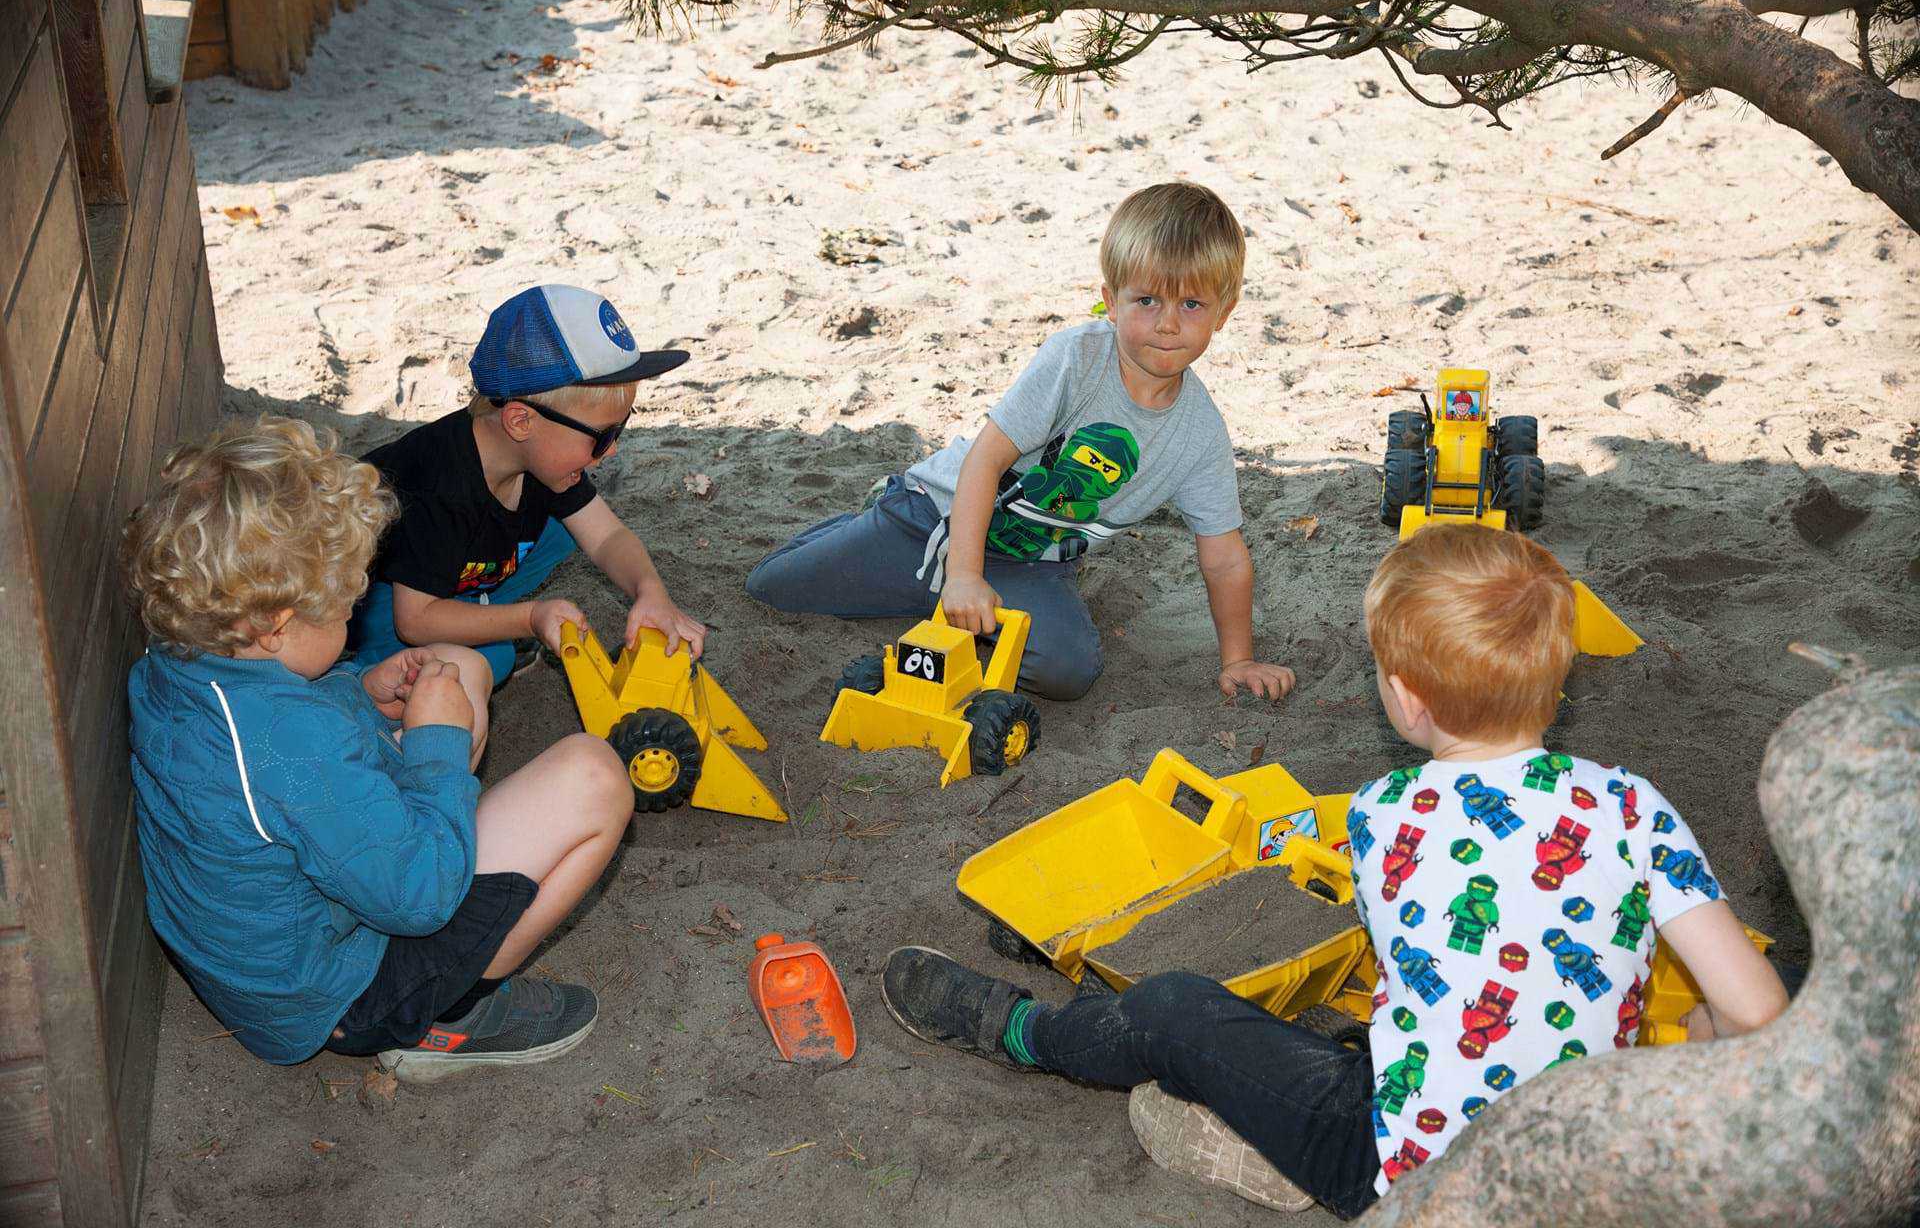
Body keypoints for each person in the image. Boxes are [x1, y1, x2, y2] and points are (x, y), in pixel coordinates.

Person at [877, 523, 1789, 1217]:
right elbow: (1759, 1012)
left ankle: (1025, 1035)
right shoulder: (1633, 805)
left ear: (1404, 696)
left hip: (1405, 1174)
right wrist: (1695, 1043)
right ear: (1560, 678)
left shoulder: (1386, 815)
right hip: (1593, 1178)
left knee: (1171, 1008)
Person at [123, 416, 631, 1082]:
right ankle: (449, 1017)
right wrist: (435, 742)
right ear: (277, 625)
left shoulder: (179, 662)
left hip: (288, 951)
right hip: (344, 992)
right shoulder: (292, 750)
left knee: (457, 666)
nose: (355, 615)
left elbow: (278, 745)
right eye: (342, 607)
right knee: (596, 775)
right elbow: (418, 897)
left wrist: (360, 694)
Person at [744, 182, 1294, 703]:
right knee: (771, 589)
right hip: (934, 517)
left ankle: (949, 601)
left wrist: (1237, 660)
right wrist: (962, 574)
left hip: (1028, 562)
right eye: (1147, 300)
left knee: (1068, 672)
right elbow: (985, 461)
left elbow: (1224, 557)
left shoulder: (1198, 435)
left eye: (1191, 305)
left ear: (1224, 311)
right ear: (1110, 298)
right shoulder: (1075, 360)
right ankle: (890, 533)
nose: (1168, 324)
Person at [349, 283, 706, 687]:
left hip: (444, 571)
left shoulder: (538, 459)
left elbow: (607, 537)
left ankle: (473, 613)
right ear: (521, 422)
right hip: (377, 598)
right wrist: (529, 618)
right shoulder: (440, 485)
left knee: (562, 532)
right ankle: (361, 673)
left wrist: (650, 591)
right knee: (491, 657)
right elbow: (414, 621)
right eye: (602, 436)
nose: (612, 451)